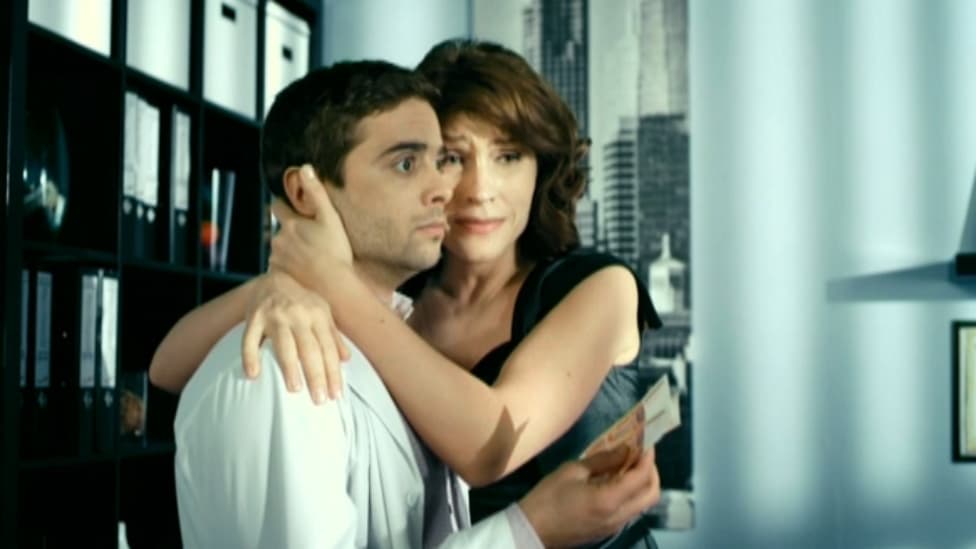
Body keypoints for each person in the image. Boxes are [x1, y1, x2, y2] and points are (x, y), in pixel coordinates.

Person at [160, 59, 660, 548]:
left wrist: (328, 280)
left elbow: (489, 447)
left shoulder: (596, 287)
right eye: (452, 158)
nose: (476, 191)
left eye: (508, 156)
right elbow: (167, 368)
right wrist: (277, 286)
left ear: (540, 167)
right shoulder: (400, 298)